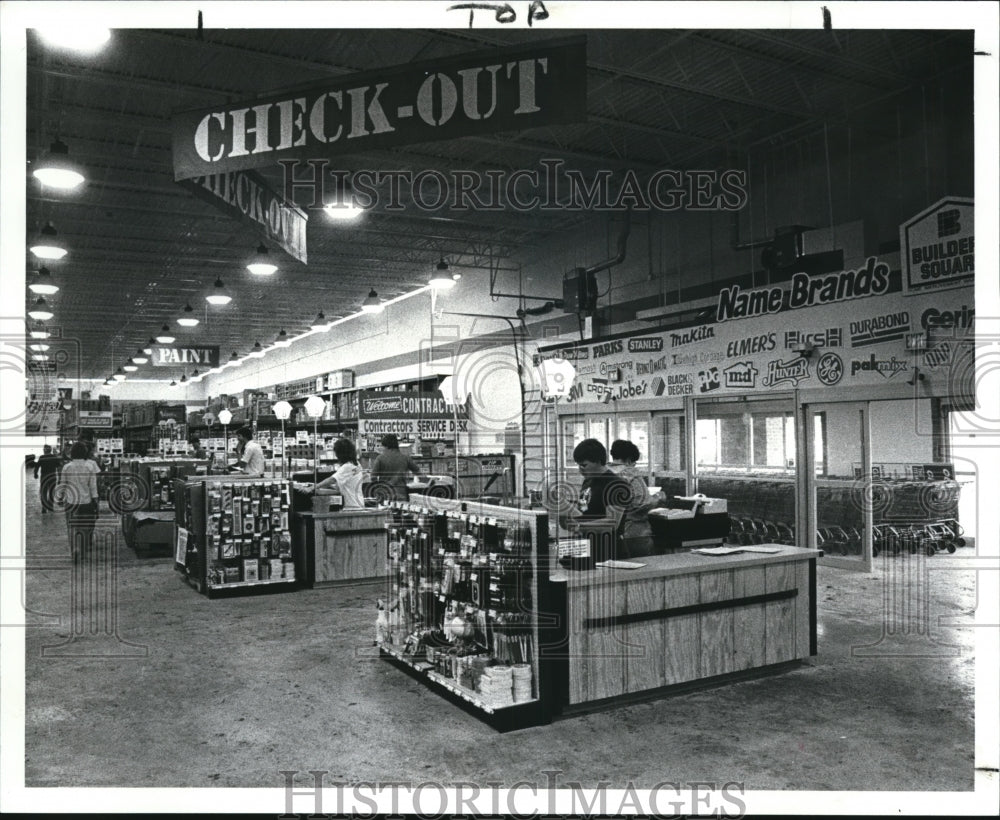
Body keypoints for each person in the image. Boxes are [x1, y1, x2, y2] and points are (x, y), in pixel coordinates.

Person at [562, 438, 633, 562]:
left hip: (609, 549)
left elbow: (612, 523)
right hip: (586, 546)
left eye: (584, 465)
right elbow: (584, 511)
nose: (580, 469)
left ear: (599, 461)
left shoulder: (616, 485)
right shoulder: (587, 482)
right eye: (578, 465)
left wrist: (579, 526)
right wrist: (565, 512)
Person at [609, 439, 656, 557]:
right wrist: (657, 498)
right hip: (634, 532)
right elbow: (643, 503)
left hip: (607, 534)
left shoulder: (603, 472)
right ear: (629, 460)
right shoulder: (630, 473)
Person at [57, 441, 100, 562]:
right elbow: (93, 486)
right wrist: (95, 500)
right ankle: (82, 549)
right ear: (84, 452)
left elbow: (63, 484)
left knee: (72, 527)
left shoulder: (67, 467)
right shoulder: (90, 466)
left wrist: (60, 497)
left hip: (71, 502)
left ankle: (74, 548)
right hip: (86, 502)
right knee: (85, 528)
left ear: (72, 453)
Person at [311, 438, 365, 510]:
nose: (336, 456)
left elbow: (332, 479)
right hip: (358, 504)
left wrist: (314, 487)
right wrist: (328, 487)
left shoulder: (347, 467)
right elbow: (346, 485)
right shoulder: (357, 464)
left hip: (351, 507)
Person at [370, 434, 425, 501]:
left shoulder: (380, 458)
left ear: (386, 446)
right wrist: (429, 482)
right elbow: (418, 473)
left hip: (386, 495)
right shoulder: (405, 458)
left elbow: (373, 477)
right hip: (401, 494)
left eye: (383, 446)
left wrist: (379, 489)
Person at [33, 444, 64, 514]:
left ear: (44, 450)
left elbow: (37, 467)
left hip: (44, 476)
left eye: (43, 449)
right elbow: (59, 467)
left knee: (43, 492)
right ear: (50, 450)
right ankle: (50, 507)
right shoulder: (54, 457)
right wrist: (59, 477)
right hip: (52, 477)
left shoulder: (42, 457)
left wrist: (35, 474)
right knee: (51, 492)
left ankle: (44, 507)